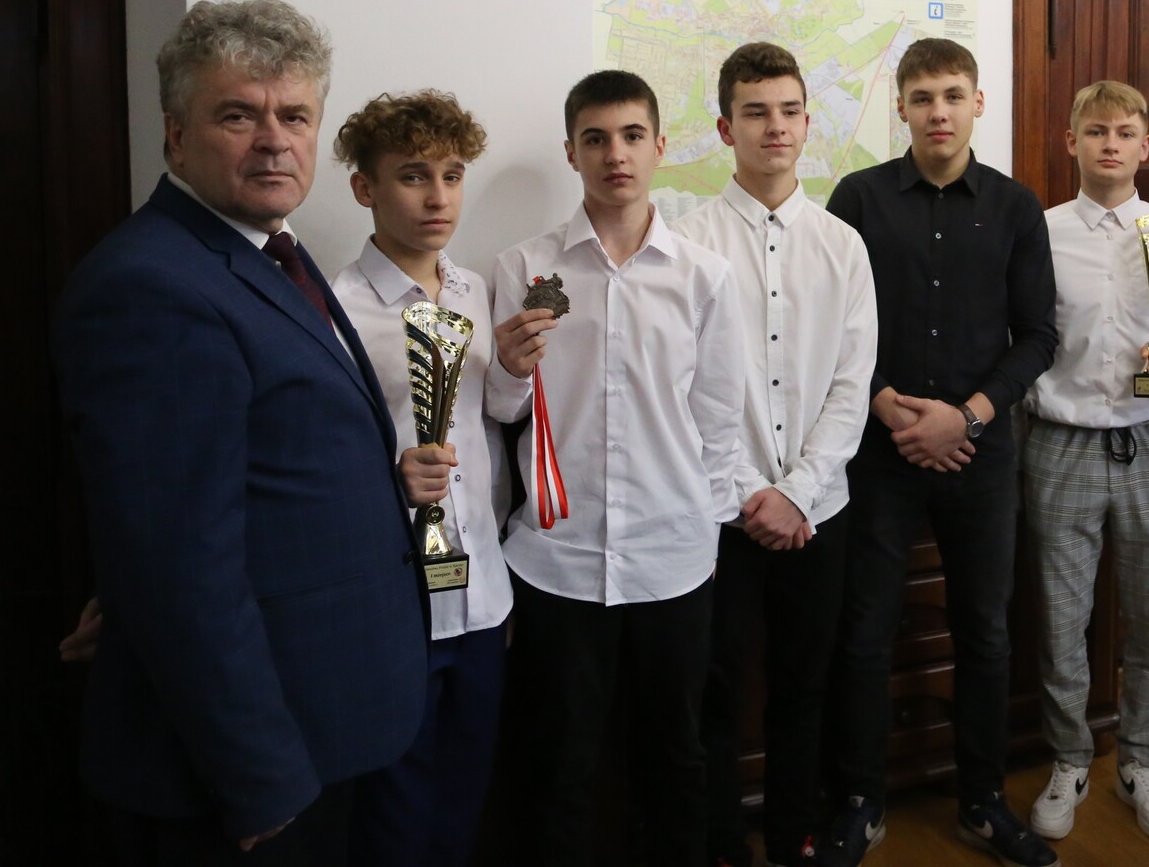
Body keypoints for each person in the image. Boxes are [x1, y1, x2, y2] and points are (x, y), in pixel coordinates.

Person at [53, 0, 427, 862]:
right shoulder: (152, 287)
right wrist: (259, 776)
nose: (273, 142)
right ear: (176, 135)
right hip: (245, 777)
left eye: (294, 116)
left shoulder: (269, 252)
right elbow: (179, 569)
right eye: (238, 115)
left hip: (324, 721)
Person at [493, 69, 744, 867]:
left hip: (673, 559)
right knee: (558, 762)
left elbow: (718, 419)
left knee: (676, 756)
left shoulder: (703, 275)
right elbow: (503, 410)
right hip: (556, 561)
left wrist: (706, 531)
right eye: (596, 139)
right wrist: (506, 369)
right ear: (572, 152)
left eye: (632, 136)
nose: (616, 155)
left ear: (660, 146)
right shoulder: (525, 268)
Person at [819, 38, 1059, 867]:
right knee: (864, 632)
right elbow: (830, 326)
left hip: (979, 458)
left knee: (985, 634)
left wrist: (968, 418)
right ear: (901, 107)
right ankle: (860, 801)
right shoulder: (856, 199)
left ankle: (983, 801)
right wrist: (887, 404)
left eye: (953, 95)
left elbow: (1037, 336)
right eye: (922, 98)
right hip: (878, 453)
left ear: (978, 103)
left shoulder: (1017, 207)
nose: (938, 112)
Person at [328, 91, 549, 865]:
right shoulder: (336, 311)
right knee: (395, 800)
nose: (438, 198)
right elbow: (324, 460)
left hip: (481, 591)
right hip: (395, 598)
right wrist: (391, 476)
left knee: (466, 790)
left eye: (452, 176)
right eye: (413, 176)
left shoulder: (473, 291)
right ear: (365, 187)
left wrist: (513, 371)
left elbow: (496, 415)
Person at [673, 44, 877, 867]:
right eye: (755, 112)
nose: (775, 127)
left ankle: (796, 835)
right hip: (721, 515)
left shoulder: (843, 245)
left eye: (789, 110)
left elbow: (852, 384)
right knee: (715, 689)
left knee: (805, 685)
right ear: (726, 127)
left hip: (820, 510)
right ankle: (721, 843)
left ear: (807, 122)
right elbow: (684, 389)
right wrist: (752, 492)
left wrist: (797, 491)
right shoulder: (685, 243)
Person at [1022, 82, 1149, 844]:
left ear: (1144, 147)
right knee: (1062, 620)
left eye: (1125, 133)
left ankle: (1140, 760)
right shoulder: (1040, 231)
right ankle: (1069, 759)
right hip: (1060, 442)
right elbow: (1022, 332)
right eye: (1096, 132)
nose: (1110, 145)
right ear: (1072, 142)